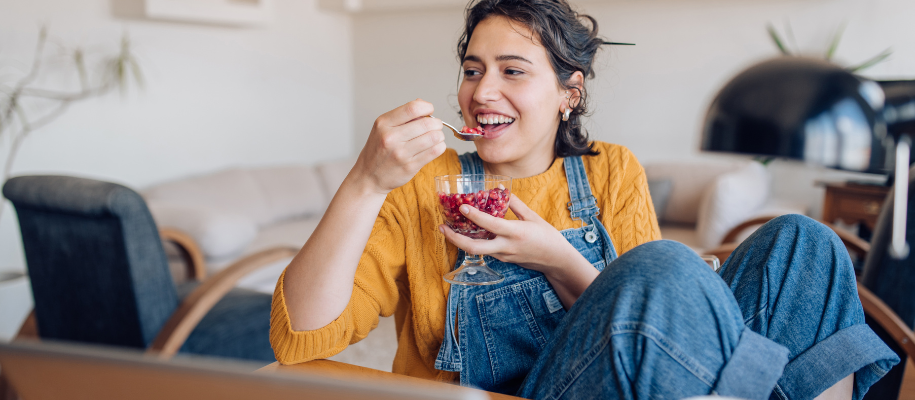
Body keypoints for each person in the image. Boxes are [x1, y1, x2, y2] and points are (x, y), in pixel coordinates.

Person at [270, 0, 899, 398]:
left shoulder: (611, 171)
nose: (482, 90)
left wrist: (556, 257)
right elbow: (299, 340)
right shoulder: (423, 181)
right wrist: (366, 180)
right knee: (667, 265)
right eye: (472, 68)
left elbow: (654, 331)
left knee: (805, 243)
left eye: (512, 71)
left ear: (569, 93)